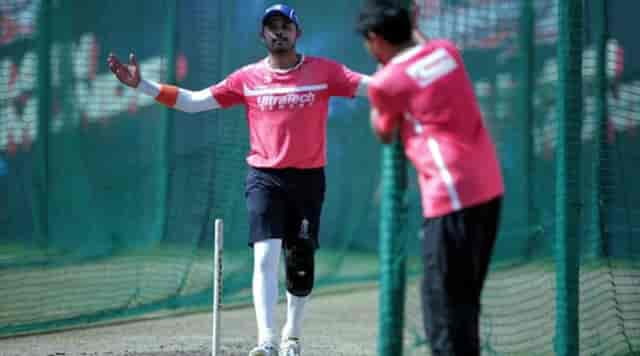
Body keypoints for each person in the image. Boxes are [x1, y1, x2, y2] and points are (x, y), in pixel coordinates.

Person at [108, 4, 370, 356]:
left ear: (298, 33)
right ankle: (267, 340)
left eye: (285, 26)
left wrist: (408, 83)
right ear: (262, 35)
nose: (279, 32)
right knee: (264, 257)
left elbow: (369, 86)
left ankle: (292, 335)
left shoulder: (324, 71)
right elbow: (194, 102)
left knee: (300, 262)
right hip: (264, 177)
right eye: (271, 27)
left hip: (308, 180)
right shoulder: (246, 78)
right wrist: (141, 84)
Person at [357, 2, 504, 356]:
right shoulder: (446, 50)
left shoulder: (386, 82)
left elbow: (383, 131)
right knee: (465, 303)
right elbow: (421, 48)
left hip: (450, 197)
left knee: (443, 314)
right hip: (489, 189)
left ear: (375, 40)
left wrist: (382, 106)